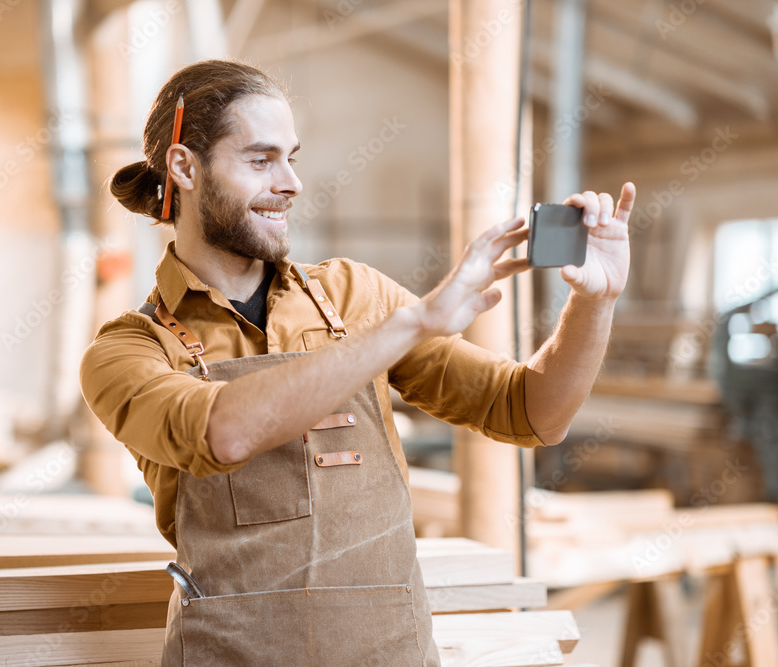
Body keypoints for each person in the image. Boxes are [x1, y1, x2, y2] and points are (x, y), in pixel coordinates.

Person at [80, 59, 635, 666]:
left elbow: (531, 413)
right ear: (184, 168)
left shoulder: (355, 296)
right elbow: (226, 430)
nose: (290, 182)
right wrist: (410, 323)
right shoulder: (128, 351)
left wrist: (594, 302)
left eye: (293, 157)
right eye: (261, 160)